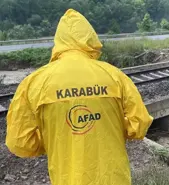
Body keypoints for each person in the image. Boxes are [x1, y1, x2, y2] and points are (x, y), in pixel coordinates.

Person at [5, 9, 153, 185]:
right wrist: (111, 127)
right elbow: (140, 124)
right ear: (90, 38)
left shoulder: (34, 83)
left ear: (59, 41)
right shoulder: (114, 75)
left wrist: (54, 136)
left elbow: (20, 142)